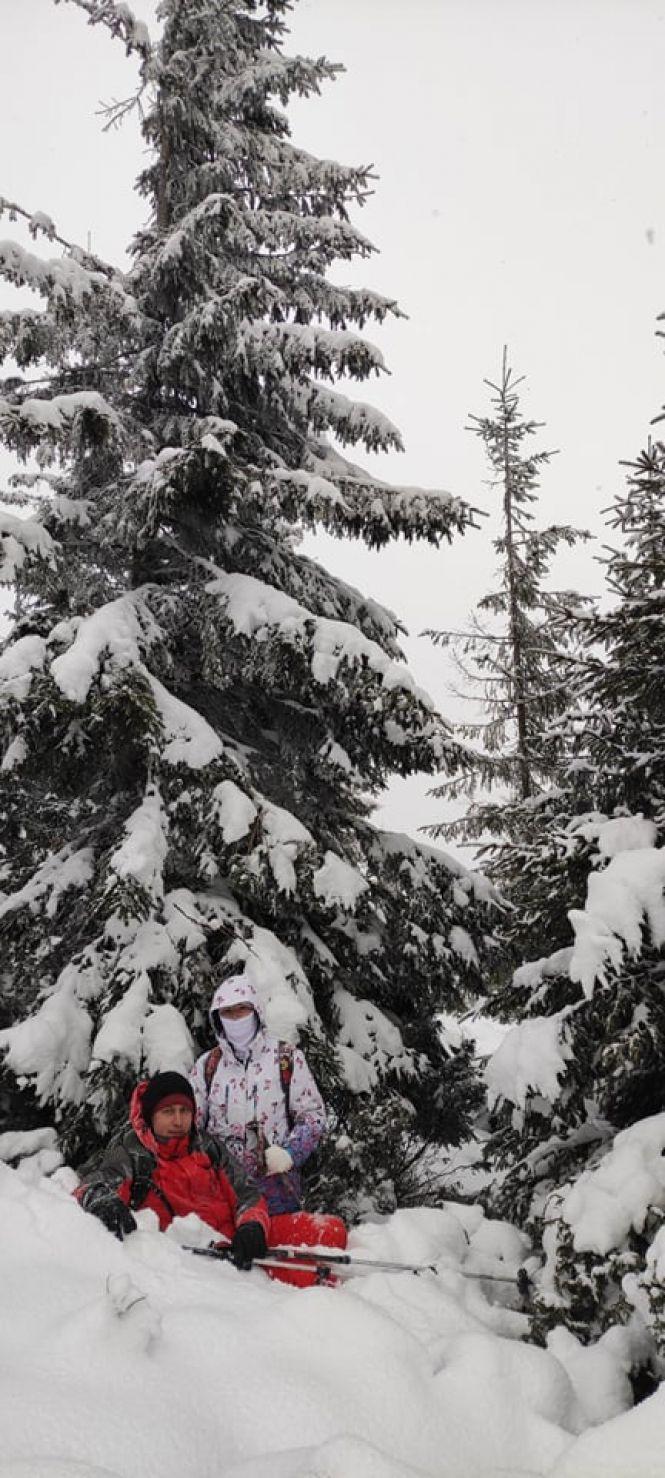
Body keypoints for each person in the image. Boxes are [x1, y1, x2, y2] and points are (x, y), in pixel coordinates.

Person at [76, 1071, 346, 1287]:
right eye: (168, 1112)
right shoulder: (133, 1152)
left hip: (241, 1239)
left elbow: (246, 1192)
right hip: (204, 1258)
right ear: (151, 1115)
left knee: (331, 1231)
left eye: (184, 1111)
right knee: (315, 1278)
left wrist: (252, 1225)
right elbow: (96, 1184)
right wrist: (101, 1200)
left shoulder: (207, 1146)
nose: (178, 1120)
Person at [189, 975, 326, 1214]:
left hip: (278, 1193)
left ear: (256, 1011)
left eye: (242, 1009)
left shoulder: (286, 1058)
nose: (235, 1018)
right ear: (217, 1018)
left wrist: (290, 1153)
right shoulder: (207, 1066)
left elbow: (313, 1117)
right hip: (220, 1193)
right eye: (227, 1012)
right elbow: (190, 1126)